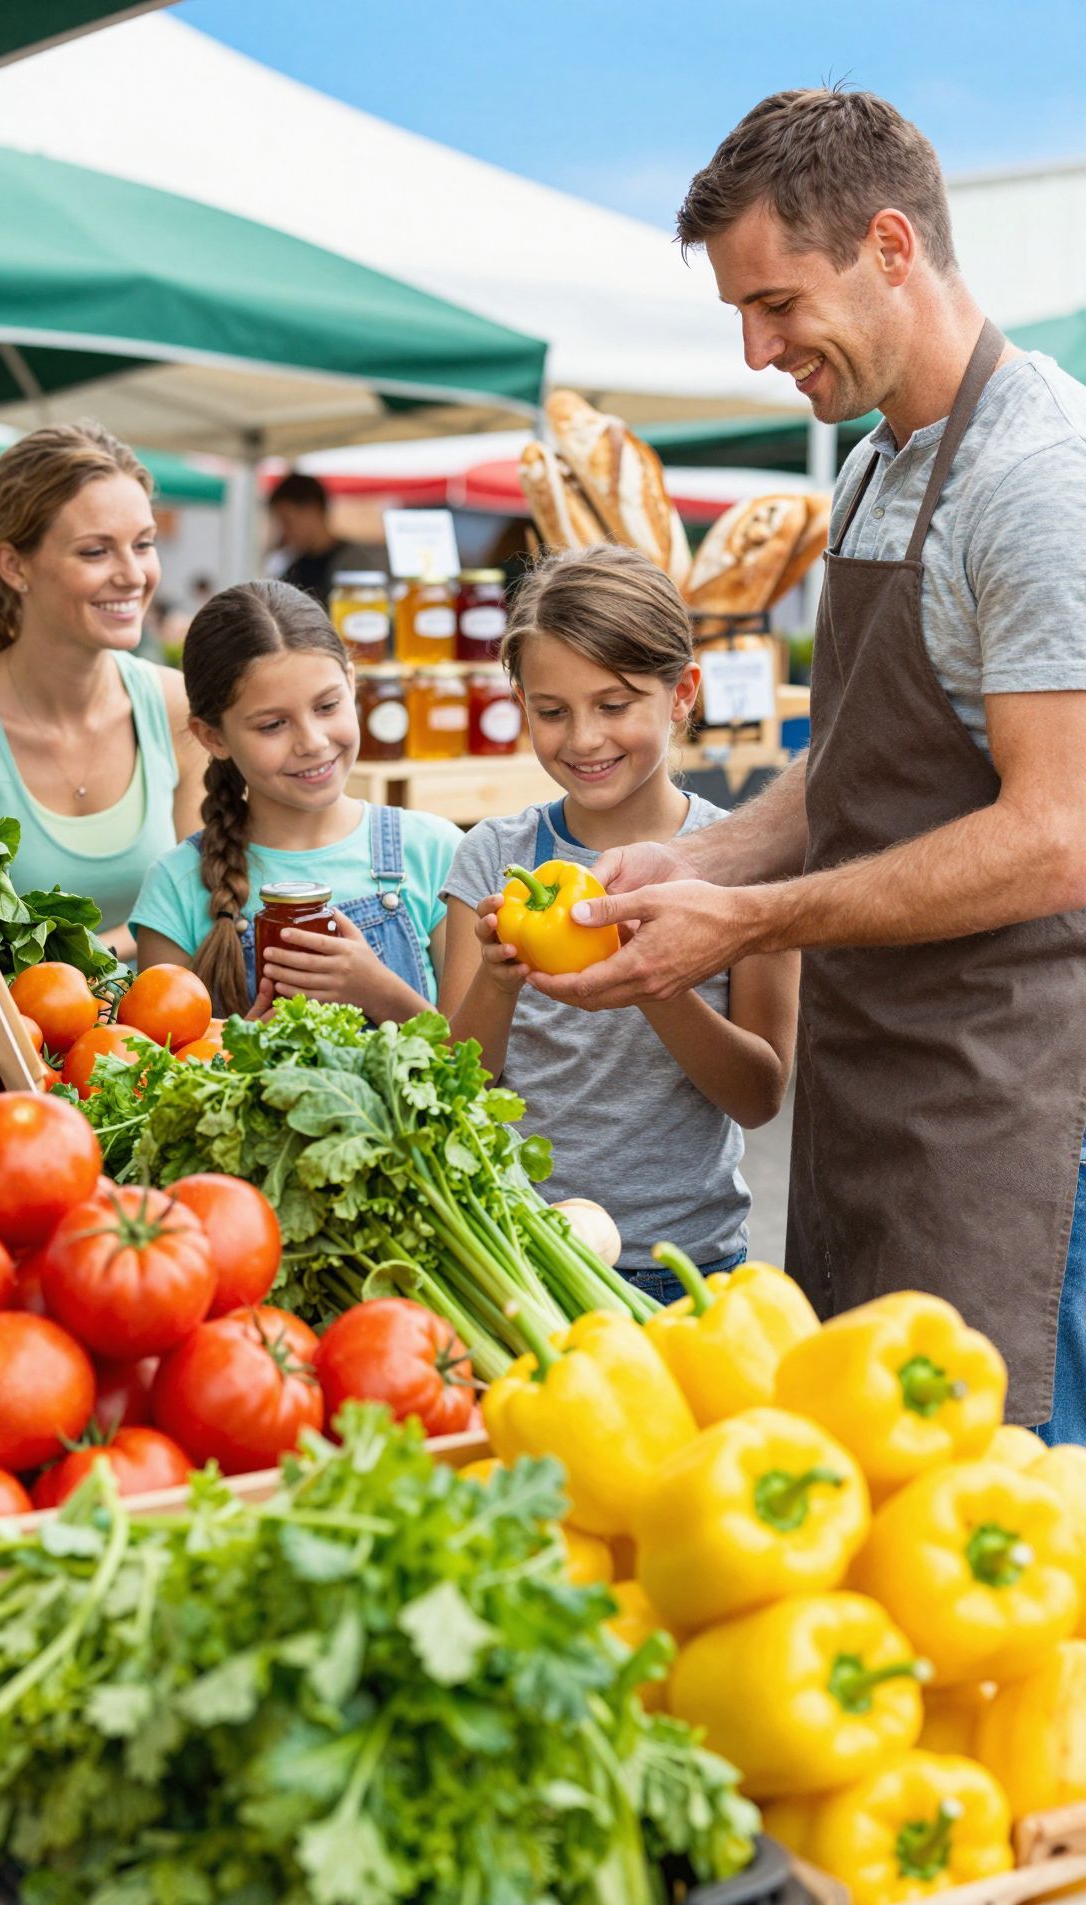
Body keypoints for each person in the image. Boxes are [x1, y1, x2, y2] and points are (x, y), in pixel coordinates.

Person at [528, 90, 1086, 1434]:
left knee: (1018, 1527)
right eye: (739, 311)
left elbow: (1057, 832)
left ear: (891, 246)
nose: (757, 346)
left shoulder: (1038, 479)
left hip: (1021, 1108)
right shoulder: (878, 468)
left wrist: (752, 916)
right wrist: (693, 860)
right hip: (875, 1090)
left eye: (776, 303)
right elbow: (846, 777)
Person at [437, 545, 799, 1303]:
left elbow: (760, 1095)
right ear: (520, 702)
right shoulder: (494, 860)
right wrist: (499, 985)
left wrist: (655, 982)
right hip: (517, 1257)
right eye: (552, 711)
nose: (584, 740)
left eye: (615, 704)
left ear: (681, 694)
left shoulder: (746, 866)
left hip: (686, 1268)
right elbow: (458, 1083)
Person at [131, 579, 461, 1020]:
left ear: (350, 680)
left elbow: (477, 1067)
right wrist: (245, 1049)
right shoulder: (176, 888)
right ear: (212, 737)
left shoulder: (434, 851)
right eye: (272, 725)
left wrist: (378, 992)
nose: (312, 742)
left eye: (326, 707)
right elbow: (161, 1073)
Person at [0, 422, 204, 957]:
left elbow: (205, 904)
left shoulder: (177, 708)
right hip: (4, 1037)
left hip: (172, 1035)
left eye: (143, 544)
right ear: (14, 566)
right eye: (95, 552)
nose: (134, 575)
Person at [266, 473, 345, 607]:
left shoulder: (355, 562)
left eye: (287, 521)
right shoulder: (294, 568)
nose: (285, 530)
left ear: (312, 510)